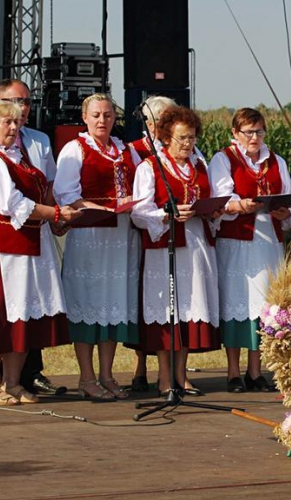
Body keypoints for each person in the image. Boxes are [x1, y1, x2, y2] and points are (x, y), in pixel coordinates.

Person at [0, 100, 79, 405]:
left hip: (25, 246)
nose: (13, 127)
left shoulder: (17, 155)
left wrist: (54, 214)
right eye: (6, 122)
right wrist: (54, 213)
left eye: (17, 122)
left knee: (23, 316)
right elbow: (11, 203)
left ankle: (13, 383)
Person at [54, 93, 141, 401]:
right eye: (96, 115)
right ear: (85, 118)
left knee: (112, 304)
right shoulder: (75, 149)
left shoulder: (125, 149)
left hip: (120, 237)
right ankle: (87, 377)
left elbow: (141, 186)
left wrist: (132, 202)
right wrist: (99, 207)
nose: (102, 120)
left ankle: (107, 374)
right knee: (88, 303)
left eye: (107, 115)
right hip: (90, 236)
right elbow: (65, 192)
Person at [131, 106, 219, 396]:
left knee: (189, 309)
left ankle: (182, 375)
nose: (187, 144)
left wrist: (211, 211)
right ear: (166, 138)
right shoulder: (150, 167)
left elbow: (212, 199)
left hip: (195, 245)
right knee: (167, 309)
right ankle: (164, 377)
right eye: (182, 138)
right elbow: (138, 212)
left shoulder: (199, 165)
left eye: (192, 138)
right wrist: (167, 215)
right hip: (165, 246)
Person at [209, 108, 291, 393]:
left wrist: (285, 212)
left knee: (264, 305)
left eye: (258, 131)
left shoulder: (276, 160)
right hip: (237, 241)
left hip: (268, 239)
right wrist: (239, 205)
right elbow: (220, 196)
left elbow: (290, 196)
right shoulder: (224, 159)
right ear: (235, 134)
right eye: (248, 132)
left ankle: (255, 370)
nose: (254, 137)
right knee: (238, 301)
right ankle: (233, 371)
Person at [127, 95, 178, 392]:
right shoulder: (135, 151)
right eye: (163, 120)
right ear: (149, 123)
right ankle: (139, 365)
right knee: (142, 298)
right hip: (141, 229)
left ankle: (166, 371)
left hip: (165, 232)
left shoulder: (182, 148)